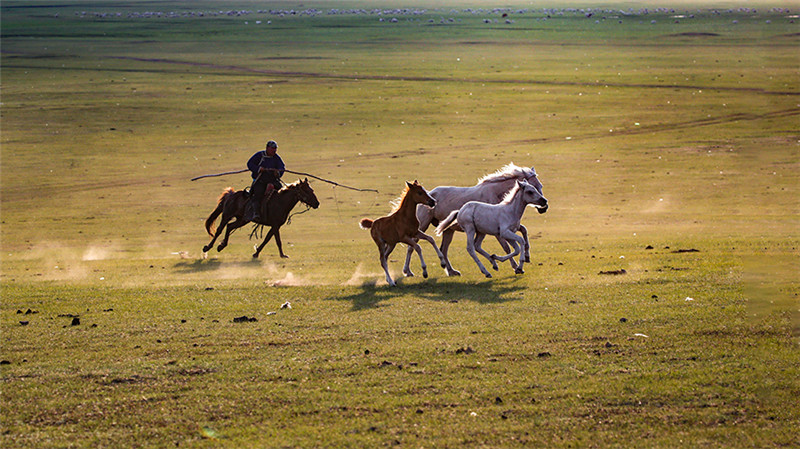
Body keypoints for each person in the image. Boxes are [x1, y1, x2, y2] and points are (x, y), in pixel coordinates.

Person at [244, 140, 285, 222]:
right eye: (272, 148)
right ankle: (256, 213)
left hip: (272, 180)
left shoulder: (276, 158)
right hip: (260, 180)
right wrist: (258, 169)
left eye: (275, 149)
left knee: (282, 192)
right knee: (258, 194)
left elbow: (282, 167)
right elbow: (250, 164)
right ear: (267, 148)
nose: (274, 150)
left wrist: (278, 172)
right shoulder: (260, 155)